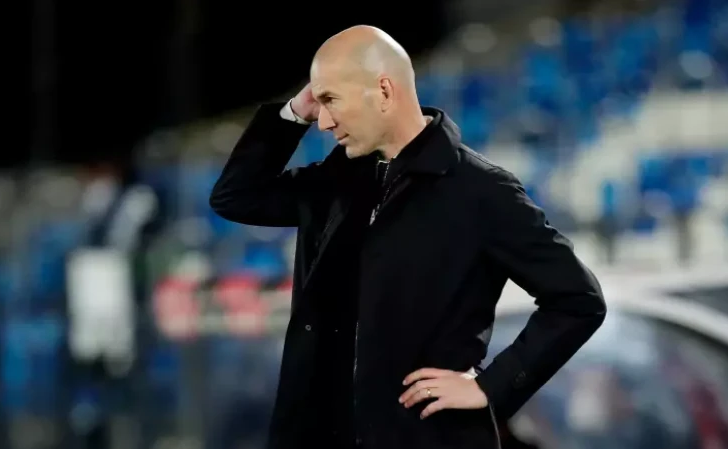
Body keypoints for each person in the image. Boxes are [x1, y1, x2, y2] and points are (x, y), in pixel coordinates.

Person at [210, 25, 606, 449]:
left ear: (383, 90)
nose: (322, 122)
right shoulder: (336, 181)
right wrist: (293, 112)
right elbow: (236, 198)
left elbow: (578, 299)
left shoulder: (481, 190)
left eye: (331, 100)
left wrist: (491, 387)